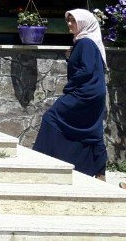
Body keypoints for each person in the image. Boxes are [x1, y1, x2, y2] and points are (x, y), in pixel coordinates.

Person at [33, 9, 108, 179]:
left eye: (73, 21)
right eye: (68, 20)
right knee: (92, 129)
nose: (69, 24)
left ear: (83, 23)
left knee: (51, 117)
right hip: (93, 93)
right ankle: (99, 171)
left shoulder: (85, 43)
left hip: (84, 93)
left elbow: (86, 70)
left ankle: (44, 160)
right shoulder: (88, 42)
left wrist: (70, 87)